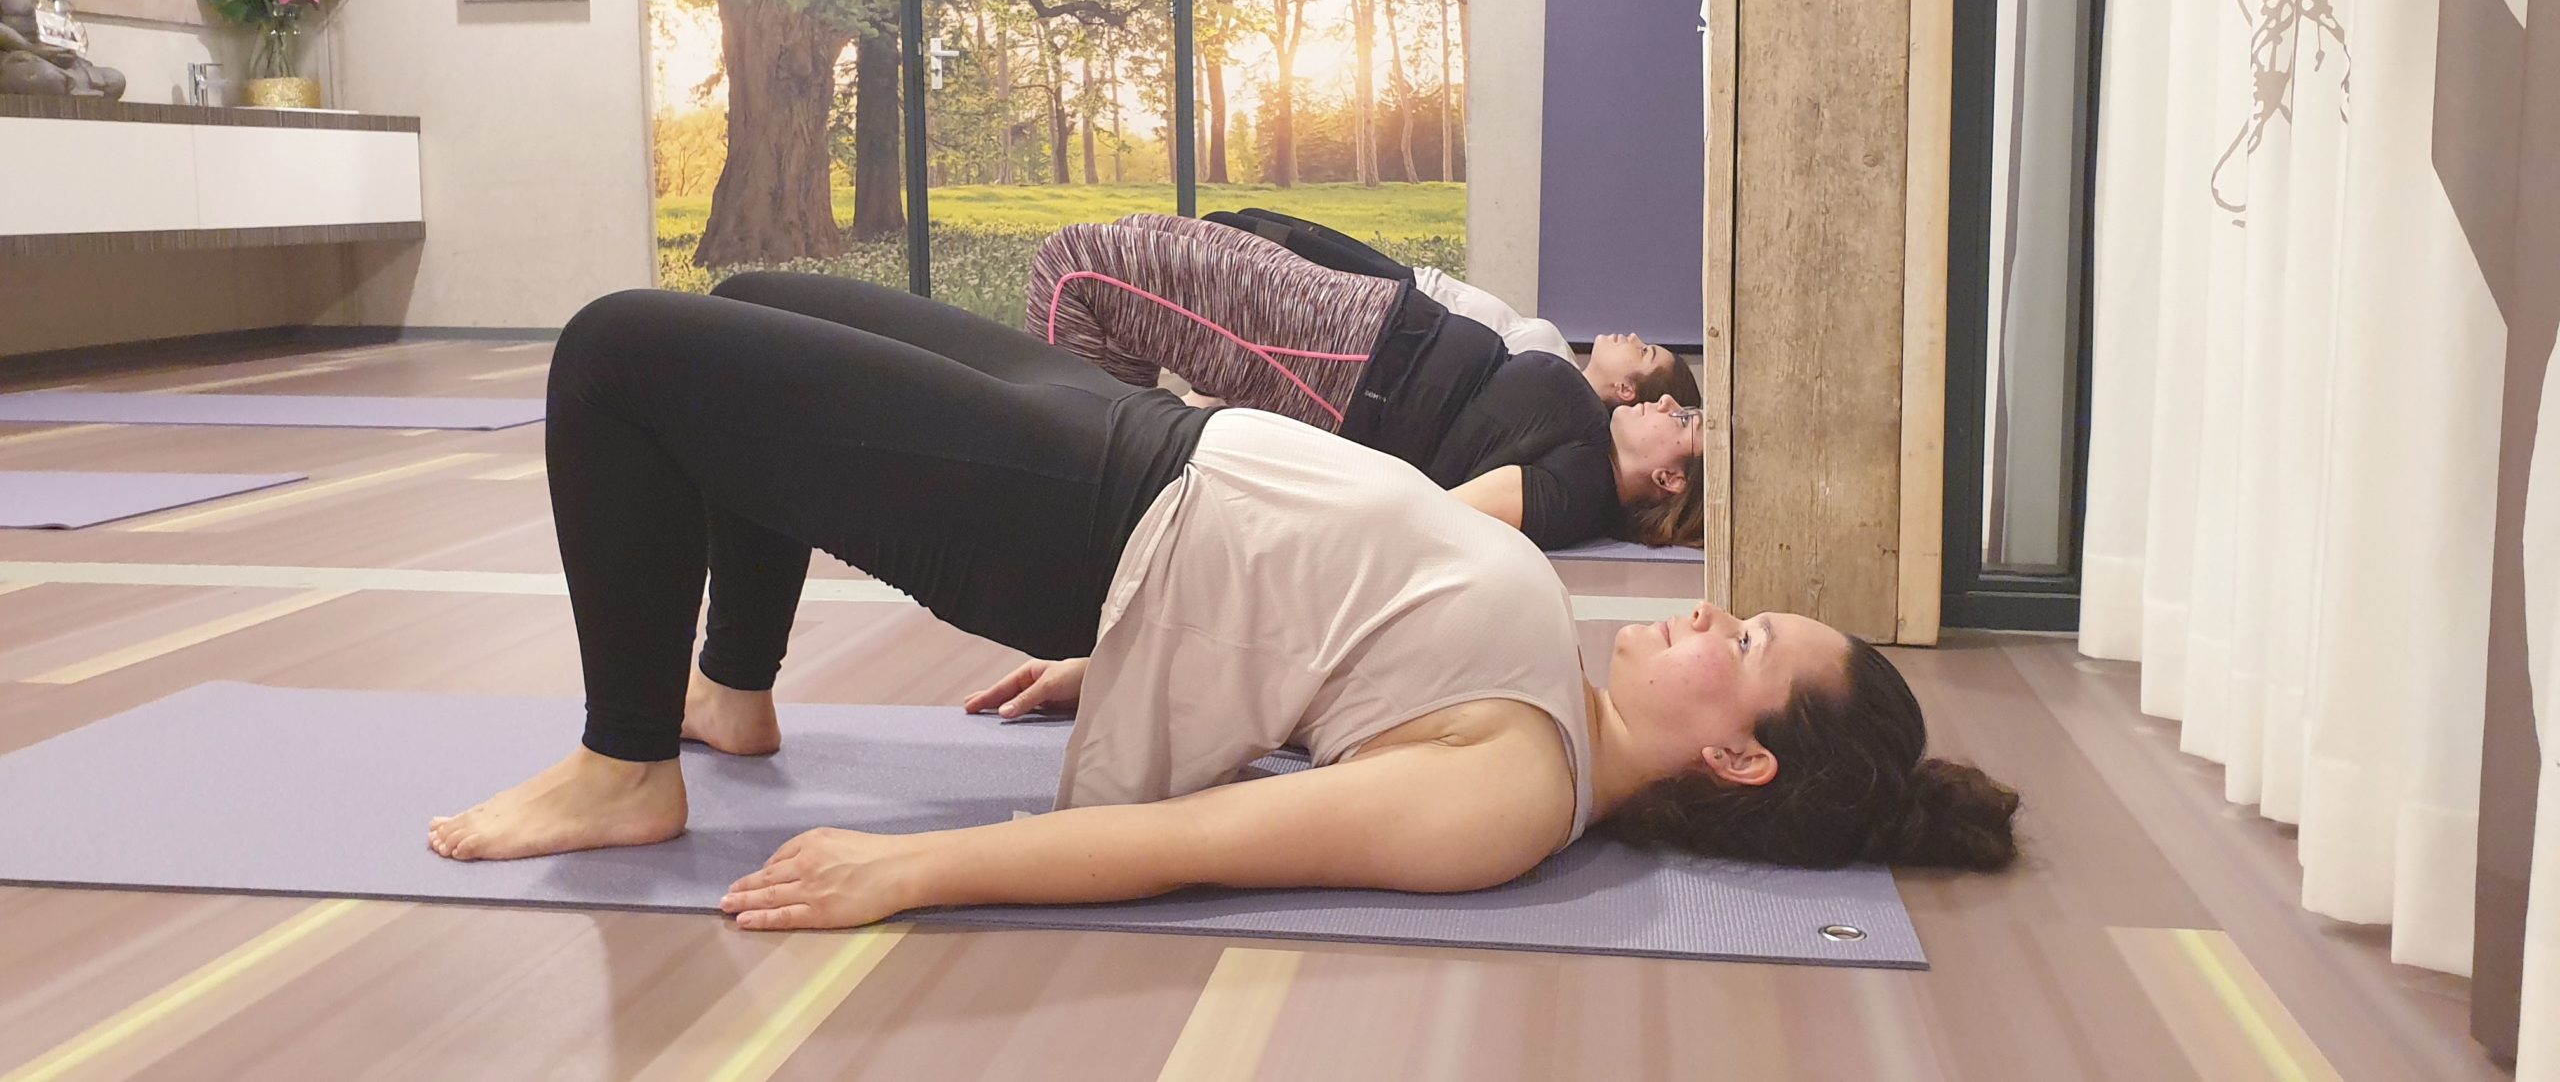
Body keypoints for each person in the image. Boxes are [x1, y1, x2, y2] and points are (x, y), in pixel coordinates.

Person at [427, 275, 2023, 933]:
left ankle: (628, 768)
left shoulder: (1512, 799)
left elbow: (1197, 841)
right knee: (752, 306)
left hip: (1094, 518)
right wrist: (1142, 669)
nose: (1711, 614)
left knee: (622, 355)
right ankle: (730, 691)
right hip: (1147, 453)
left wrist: (914, 871)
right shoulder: (1556, 705)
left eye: (1742, 646)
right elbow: (1336, 650)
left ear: (1741, 754)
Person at [1028, 214, 1706, 549]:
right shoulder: (1586, 443)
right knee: (1130, 240)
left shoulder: (1578, 490)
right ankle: (1112, 498)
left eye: (1683, 422)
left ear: (1670, 479)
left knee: (1076, 270)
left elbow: (1424, 518)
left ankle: (1078, 511)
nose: (1670, 403)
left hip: (1341, 365)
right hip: (1363, 323)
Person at [1207, 207, 1578, 364]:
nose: (1606, 335)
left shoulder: (1557, 374)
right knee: (1251, 219)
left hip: (1402, 299)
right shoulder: (1562, 358)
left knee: (1228, 226)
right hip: (1416, 278)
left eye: (1640, 354)